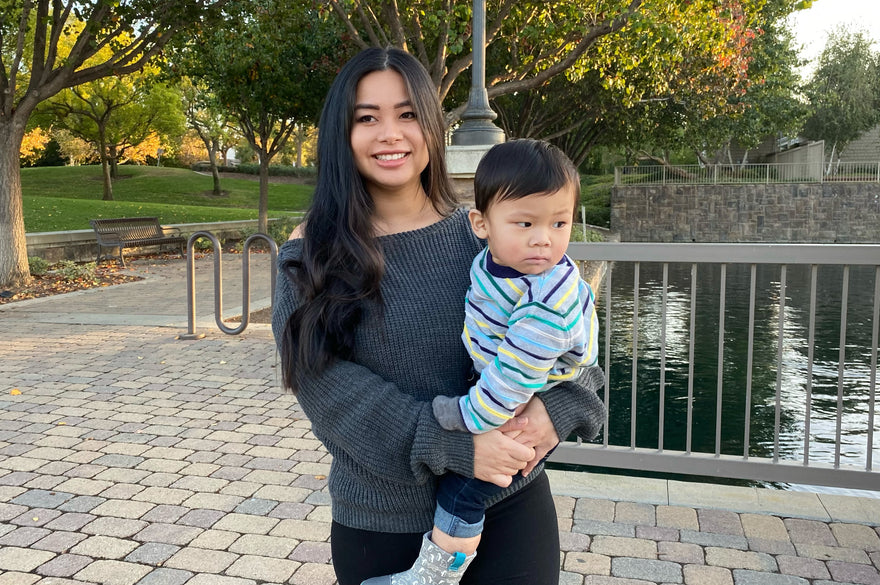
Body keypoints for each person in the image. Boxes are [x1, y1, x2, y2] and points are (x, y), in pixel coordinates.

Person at [272, 46, 604, 585]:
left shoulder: (489, 233)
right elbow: (328, 391)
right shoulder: (309, 255)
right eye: (367, 118)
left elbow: (569, 338)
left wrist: (559, 410)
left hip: (510, 505)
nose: (390, 134)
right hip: (385, 523)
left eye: (407, 114)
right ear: (342, 132)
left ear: (431, 124)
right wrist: (455, 446)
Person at [363, 139, 603, 585]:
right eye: (526, 223)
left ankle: (436, 572)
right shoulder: (496, 261)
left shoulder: (545, 297)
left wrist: (467, 417)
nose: (543, 239)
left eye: (560, 223)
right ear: (482, 224)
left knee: (463, 494)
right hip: (380, 511)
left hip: (515, 397)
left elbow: (517, 380)